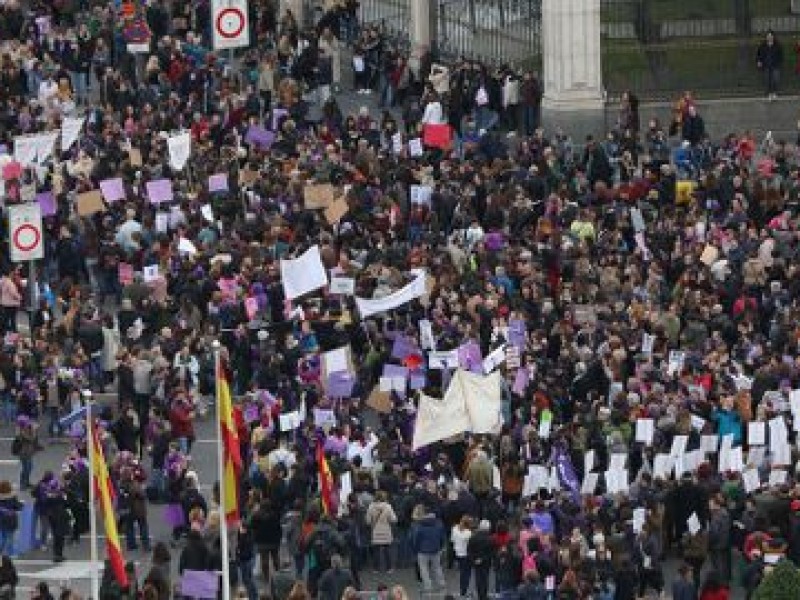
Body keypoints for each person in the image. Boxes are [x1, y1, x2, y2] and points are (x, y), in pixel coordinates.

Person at [408, 505, 446, 592]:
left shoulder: (420, 525)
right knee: (437, 567)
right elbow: (442, 537)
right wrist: (441, 547)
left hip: (422, 550)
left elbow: (416, 539)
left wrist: (415, 549)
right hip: (436, 549)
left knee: (423, 569)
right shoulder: (439, 523)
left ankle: (428, 586)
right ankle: (441, 583)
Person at [467, 520, 494, 600]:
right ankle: (484, 595)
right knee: (485, 579)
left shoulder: (473, 537)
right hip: (486, 562)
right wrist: (482, 559)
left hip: (476, 561)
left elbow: (469, 550)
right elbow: (491, 553)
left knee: (478, 578)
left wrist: (474, 560)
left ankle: (480, 595)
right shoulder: (490, 539)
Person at [756, 30, 783, 100]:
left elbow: (781, 55)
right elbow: (759, 54)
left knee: (776, 79)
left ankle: (774, 92)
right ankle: (769, 93)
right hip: (766, 65)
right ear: (766, 37)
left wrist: (779, 62)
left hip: (775, 65)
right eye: (768, 36)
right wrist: (759, 61)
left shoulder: (777, 45)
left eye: (771, 36)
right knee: (767, 80)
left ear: (773, 37)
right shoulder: (762, 45)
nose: (769, 37)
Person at [0, 482, 23, 557]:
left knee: (3, 537)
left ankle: (1, 552)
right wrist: (21, 503)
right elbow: (18, 507)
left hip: (2, 521)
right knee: (10, 538)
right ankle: (10, 553)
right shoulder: (12, 497)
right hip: (11, 520)